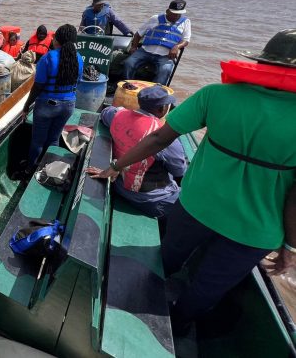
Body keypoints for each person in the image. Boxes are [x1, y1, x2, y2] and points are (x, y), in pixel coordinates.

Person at [87, 29, 296, 335]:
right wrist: (290, 247)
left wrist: (115, 166)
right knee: (209, 285)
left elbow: (159, 137)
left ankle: (145, 295)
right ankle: (179, 324)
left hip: (196, 206)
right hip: (254, 229)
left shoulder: (215, 95)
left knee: (168, 257)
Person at [101, 85, 187, 218]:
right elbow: (179, 171)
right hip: (151, 199)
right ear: (162, 109)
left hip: (119, 185)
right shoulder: (164, 137)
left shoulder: (117, 115)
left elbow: (106, 112)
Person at [22, 24, 84, 173]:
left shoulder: (48, 58)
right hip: (68, 105)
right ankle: (49, 168)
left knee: (38, 141)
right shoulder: (79, 58)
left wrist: (26, 106)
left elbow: (38, 87)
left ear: (57, 40)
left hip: (47, 106)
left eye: (55, 37)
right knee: (54, 138)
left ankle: (29, 170)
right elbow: (78, 82)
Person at [123, 0, 191, 85]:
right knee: (129, 63)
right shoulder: (155, 18)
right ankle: (128, 85)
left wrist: (177, 47)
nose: (176, 16)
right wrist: (133, 47)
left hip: (165, 55)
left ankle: (156, 92)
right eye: (174, 14)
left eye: (178, 14)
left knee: (166, 69)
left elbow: (186, 40)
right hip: (145, 51)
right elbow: (138, 34)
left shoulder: (186, 22)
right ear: (168, 11)